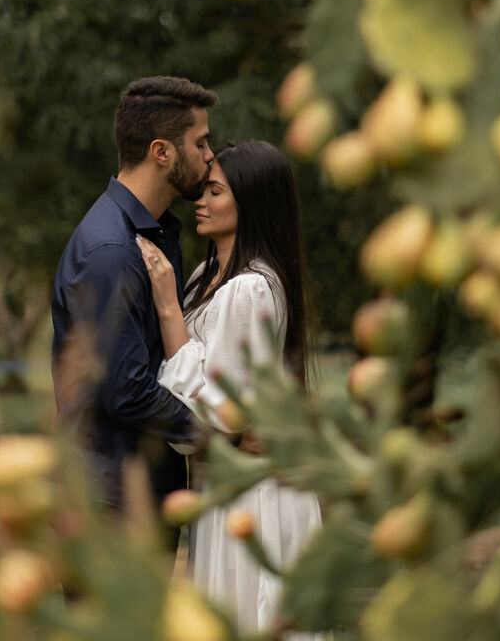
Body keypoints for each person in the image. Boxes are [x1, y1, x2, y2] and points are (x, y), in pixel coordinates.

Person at [136, 141, 324, 637]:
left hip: (253, 494)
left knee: (247, 615)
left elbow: (218, 411)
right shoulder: (206, 277)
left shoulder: (251, 287)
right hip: (223, 483)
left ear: (251, 202)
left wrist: (168, 309)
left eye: (215, 191)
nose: (200, 201)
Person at [50, 75, 217, 540]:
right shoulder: (113, 250)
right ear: (162, 151)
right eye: (200, 143)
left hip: (137, 491)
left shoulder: (156, 233)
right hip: (108, 503)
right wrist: (217, 434)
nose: (210, 156)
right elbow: (125, 389)